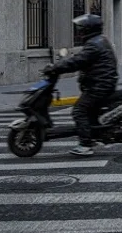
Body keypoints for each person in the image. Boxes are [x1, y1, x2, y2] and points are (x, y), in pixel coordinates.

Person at [43, 14, 118, 156]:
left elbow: (77, 61)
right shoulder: (99, 40)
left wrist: (55, 68)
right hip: (102, 83)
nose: (79, 32)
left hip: (99, 85)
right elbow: (79, 60)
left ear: (89, 29)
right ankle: (93, 135)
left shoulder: (94, 44)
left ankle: (85, 144)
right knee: (90, 113)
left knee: (79, 111)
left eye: (82, 29)